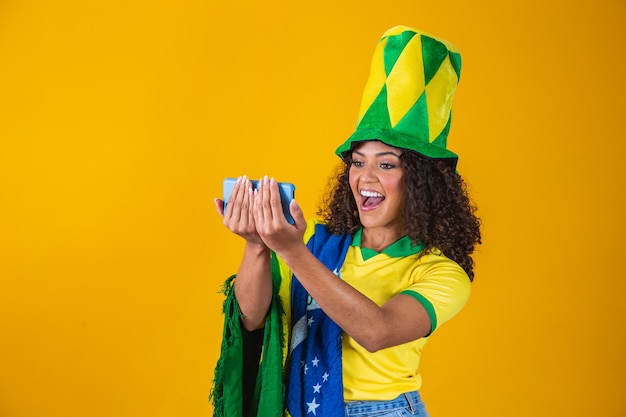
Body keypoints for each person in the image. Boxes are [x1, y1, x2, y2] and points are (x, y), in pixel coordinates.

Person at [211, 25, 481, 417]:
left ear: (422, 182)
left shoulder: (442, 274)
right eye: (357, 162)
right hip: (300, 409)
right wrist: (258, 245)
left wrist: (290, 250)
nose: (365, 178)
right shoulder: (322, 246)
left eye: (386, 164)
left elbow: (377, 331)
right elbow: (252, 319)